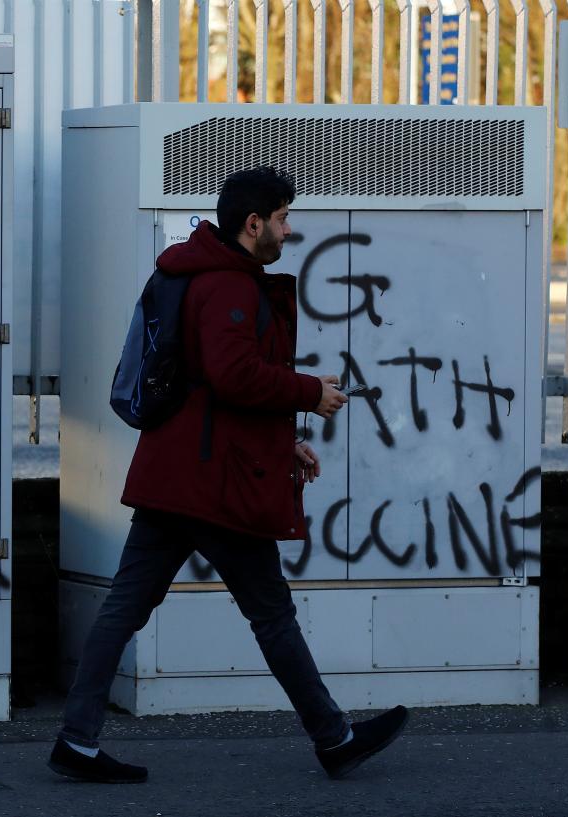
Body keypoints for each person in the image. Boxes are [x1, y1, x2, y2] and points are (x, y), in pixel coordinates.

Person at [48, 167, 408, 784]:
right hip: (214, 485)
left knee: (126, 607)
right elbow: (231, 375)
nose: (287, 231)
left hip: (177, 471)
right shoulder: (230, 286)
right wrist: (306, 394)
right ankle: (334, 737)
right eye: (283, 218)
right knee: (270, 612)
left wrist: (283, 442)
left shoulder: (196, 272)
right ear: (253, 224)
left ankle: (76, 740)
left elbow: (207, 390)